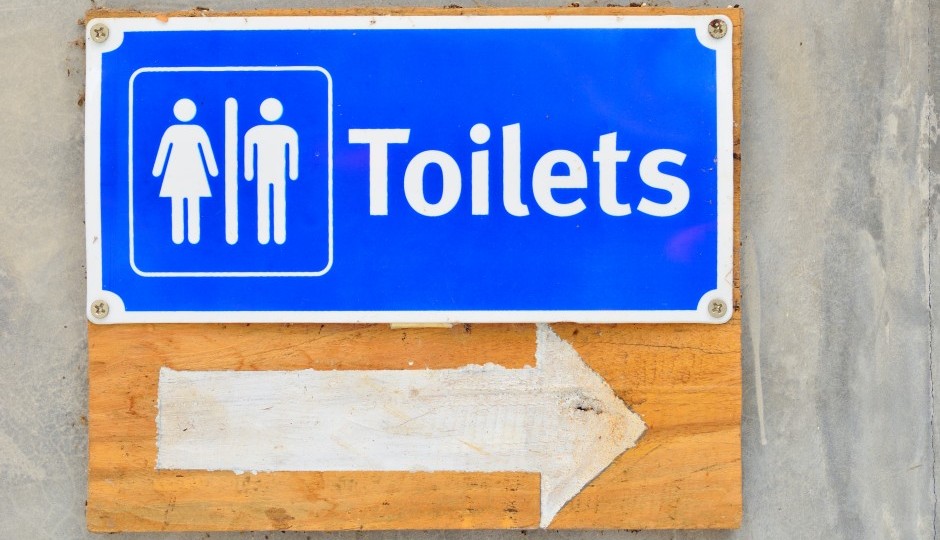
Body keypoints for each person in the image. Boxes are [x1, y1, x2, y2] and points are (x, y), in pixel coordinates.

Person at [151, 98, 219, 245]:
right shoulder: (192, 131)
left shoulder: (182, 131)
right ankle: (186, 236)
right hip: (183, 173)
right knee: (186, 202)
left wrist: (157, 171)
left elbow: (206, 151)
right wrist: (212, 170)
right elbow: (164, 151)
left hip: (186, 172)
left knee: (183, 203)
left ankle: (185, 236)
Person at [244, 98, 299, 245]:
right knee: (265, 200)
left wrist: (293, 172)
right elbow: (249, 153)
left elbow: (293, 153)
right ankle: (264, 234)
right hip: (264, 172)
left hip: (277, 172)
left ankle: (278, 234)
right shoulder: (254, 132)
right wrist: (249, 172)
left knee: (277, 200)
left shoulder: (287, 132)